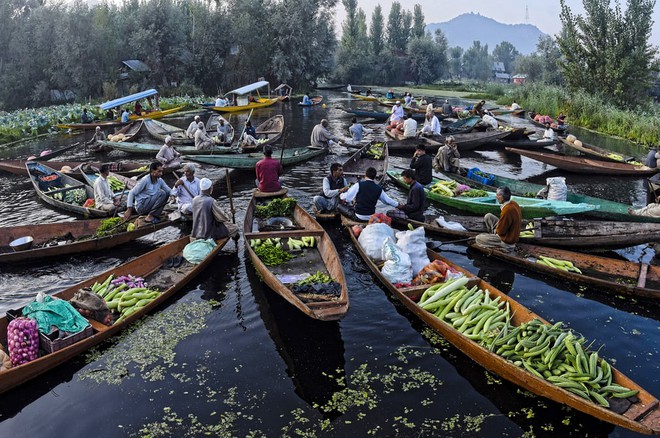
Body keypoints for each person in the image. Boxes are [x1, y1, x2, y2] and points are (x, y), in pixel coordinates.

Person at [474, 186, 522, 252]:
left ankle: (500, 244)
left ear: (502, 198)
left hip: (507, 241)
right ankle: (493, 235)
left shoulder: (507, 210)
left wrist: (497, 230)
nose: (496, 197)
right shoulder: (513, 203)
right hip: (506, 232)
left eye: (497, 195)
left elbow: (501, 232)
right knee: (488, 216)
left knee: (478, 238)